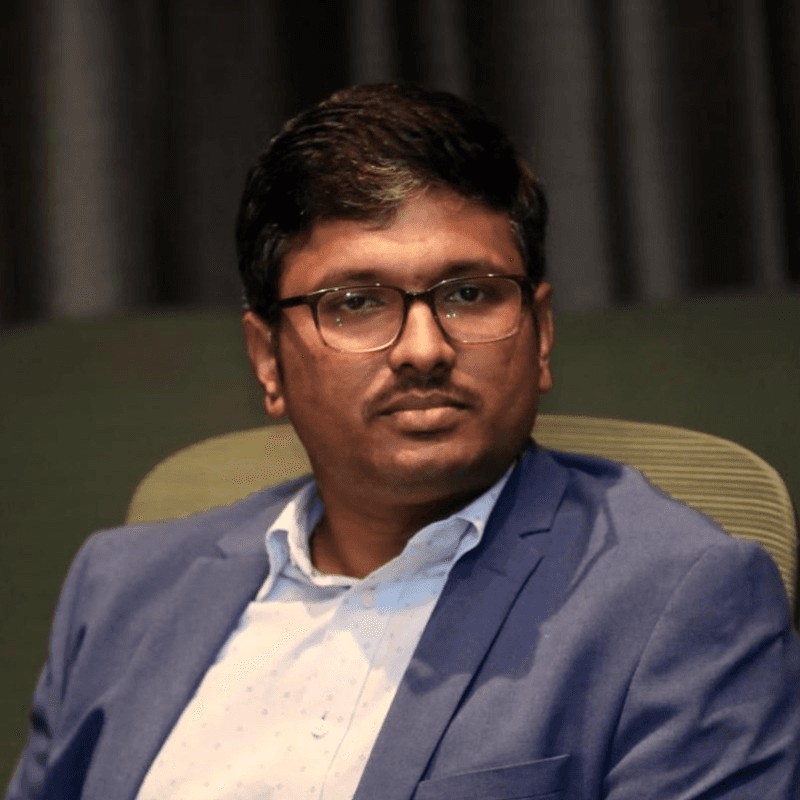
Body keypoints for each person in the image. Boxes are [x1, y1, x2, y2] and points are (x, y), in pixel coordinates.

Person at [7, 84, 800, 800]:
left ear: (542, 333)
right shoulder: (118, 590)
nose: (424, 348)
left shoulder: (678, 598)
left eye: (471, 293)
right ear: (267, 361)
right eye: (355, 302)